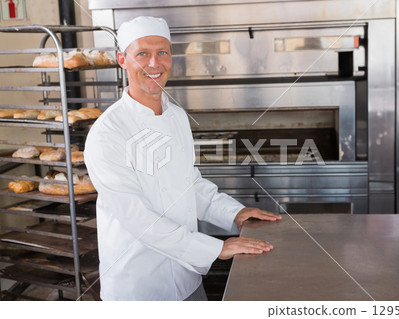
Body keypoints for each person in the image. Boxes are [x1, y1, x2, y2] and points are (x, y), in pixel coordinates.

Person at [84, 16, 281, 301]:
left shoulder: (175, 116)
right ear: (122, 60)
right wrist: (216, 248)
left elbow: (188, 183)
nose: (154, 63)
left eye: (162, 52)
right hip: (139, 287)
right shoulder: (108, 132)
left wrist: (232, 213)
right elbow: (136, 218)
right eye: (143, 54)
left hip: (187, 279)